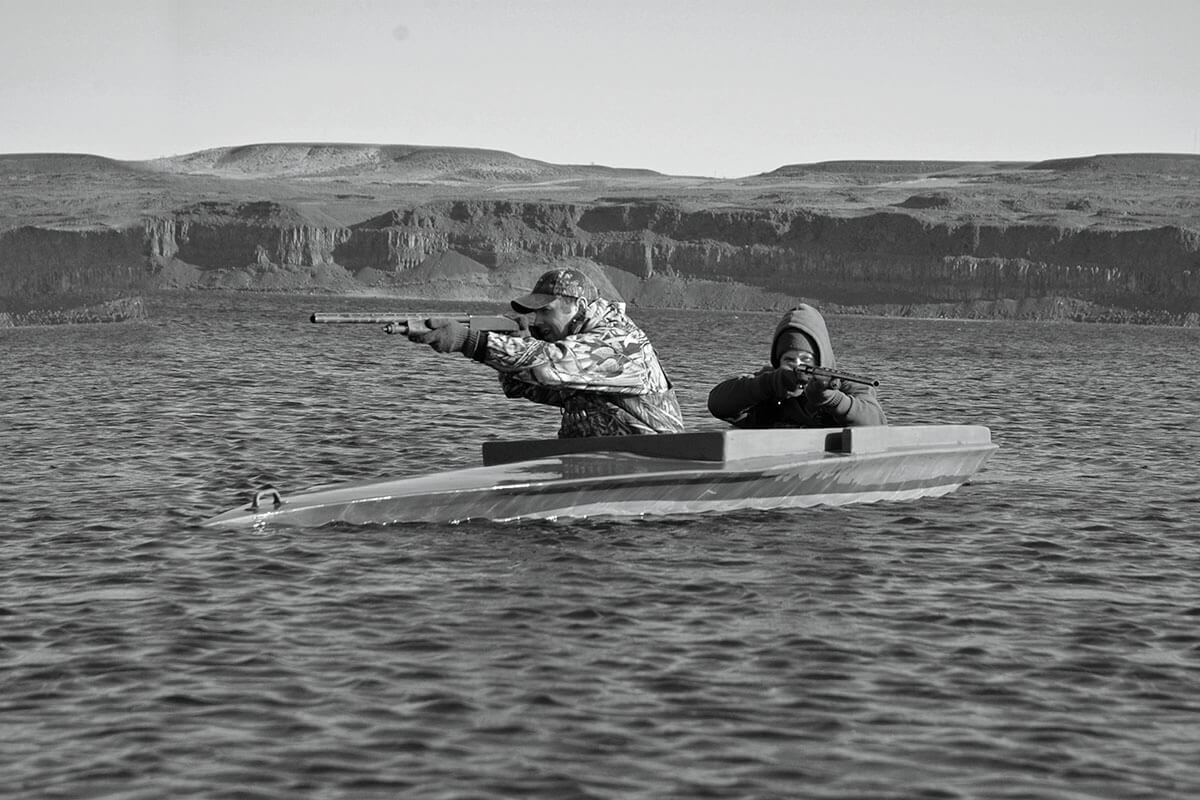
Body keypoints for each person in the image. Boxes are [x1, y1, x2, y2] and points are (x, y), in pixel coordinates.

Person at [408, 267, 685, 438]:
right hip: (594, 464)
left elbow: (550, 366)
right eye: (534, 313)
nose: (537, 321)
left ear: (579, 305)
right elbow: (528, 387)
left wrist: (470, 341)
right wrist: (516, 341)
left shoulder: (621, 343)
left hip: (656, 465)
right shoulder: (577, 342)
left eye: (545, 311)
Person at [707, 304, 886, 428]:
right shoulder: (768, 385)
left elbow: (876, 423)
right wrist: (770, 384)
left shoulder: (846, 386)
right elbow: (718, 405)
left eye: (806, 360)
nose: (798, 366)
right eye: (789, 360)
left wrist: (831, 399)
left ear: (820, 360)